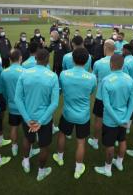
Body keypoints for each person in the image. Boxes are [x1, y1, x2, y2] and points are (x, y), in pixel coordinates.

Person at [15, 49, 59, 181]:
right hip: (43, 119)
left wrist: (28, 119)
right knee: (43, 146)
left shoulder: (25, 73)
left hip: (29, 117)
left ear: (36, 59)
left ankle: (26, 162)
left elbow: (18, 99)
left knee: (28, 139)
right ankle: (40, 171)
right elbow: (54, 103)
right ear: (47, 60)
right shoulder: (52, 76)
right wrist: (40, 121)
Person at [52, 47, 97, 179]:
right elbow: (91, 92)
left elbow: (61, 89)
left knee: (62, 134)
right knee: (81, 141)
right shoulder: (91, 77)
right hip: (83, 115)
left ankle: (60, 158)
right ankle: (78, 168)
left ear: (72, 59)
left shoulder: (64, 74)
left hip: (67, 113)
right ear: (87, 60)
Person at [94, 54, 133, 177]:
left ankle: (107, 169)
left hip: (111, 120)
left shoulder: (106, 80)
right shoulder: (130, 79)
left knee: (110, 144)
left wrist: (118, 120)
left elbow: (106, 104)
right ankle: (119, 162)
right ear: (123, 65)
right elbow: (132, 101)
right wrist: (126, 118)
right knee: (122, 140)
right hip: (124, 118)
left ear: (111, 64)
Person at [0, 49, 40, 157]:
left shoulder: (4, 72)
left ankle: (14, 147)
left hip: (12, 106)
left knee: (14, 127)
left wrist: (8, 99)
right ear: (20, 58)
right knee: (29, 129)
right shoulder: (25, 72)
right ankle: (29, 150)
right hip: (25, 107)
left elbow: (2, 91)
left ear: (9, 59)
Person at [88, 39, 115, 150]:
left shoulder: (98, 63)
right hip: (115, 96)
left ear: (105, 47)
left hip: (101, 96)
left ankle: (95, 141)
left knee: (98, 119)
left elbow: (93, 80)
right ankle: (115, 140)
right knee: (114, 117)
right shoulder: (120, 61)